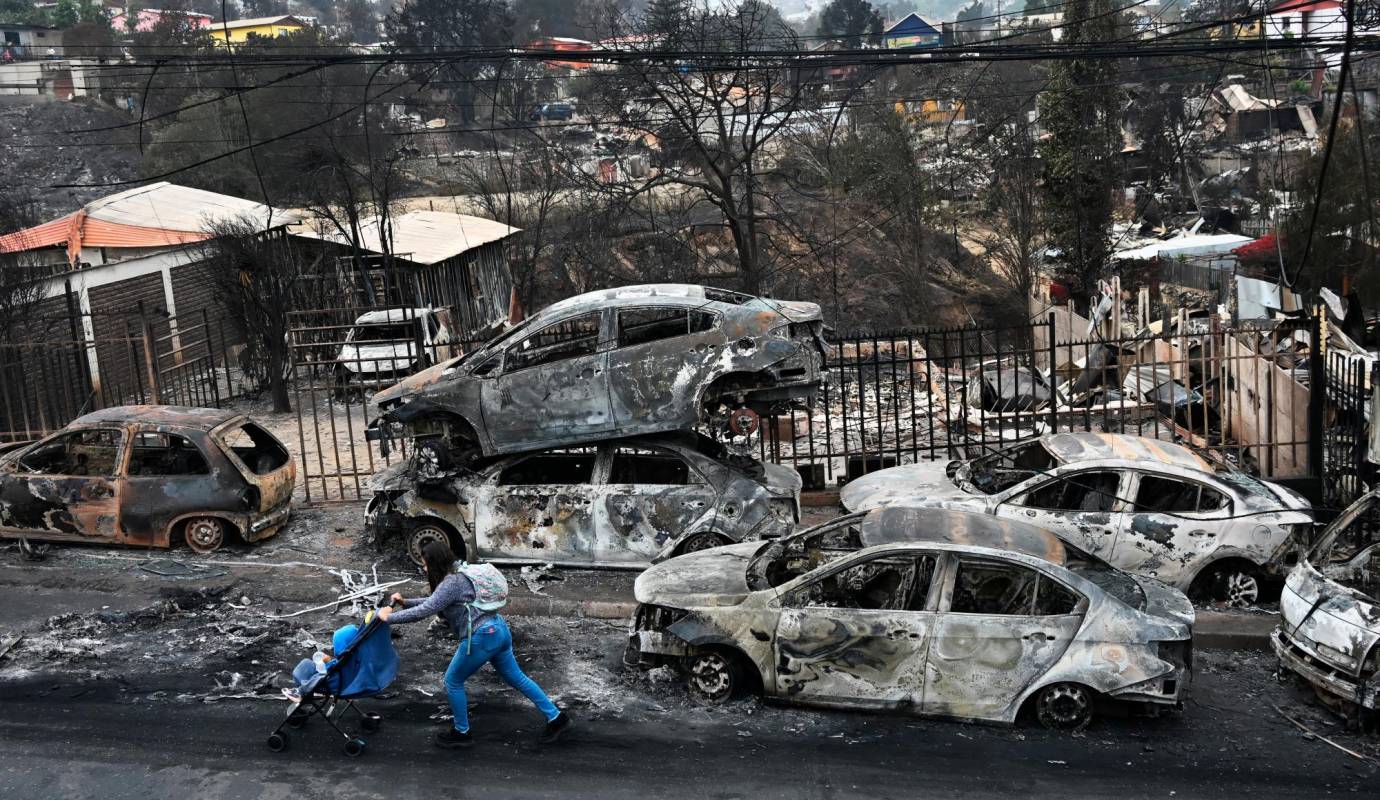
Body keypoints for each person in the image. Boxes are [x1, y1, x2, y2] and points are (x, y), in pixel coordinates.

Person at [378, 541, 570, 749]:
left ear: (435, 563)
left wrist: (388, 618)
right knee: (518, 678)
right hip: (498, 629)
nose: (424, 569)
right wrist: (405, 602)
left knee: (453, 681)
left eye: (425, 564)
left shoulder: (451, 582)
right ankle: (556, 717)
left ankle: (462, 732)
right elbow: (434, 601)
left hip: (483, 637)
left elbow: (425, 610)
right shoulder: (459, 573)